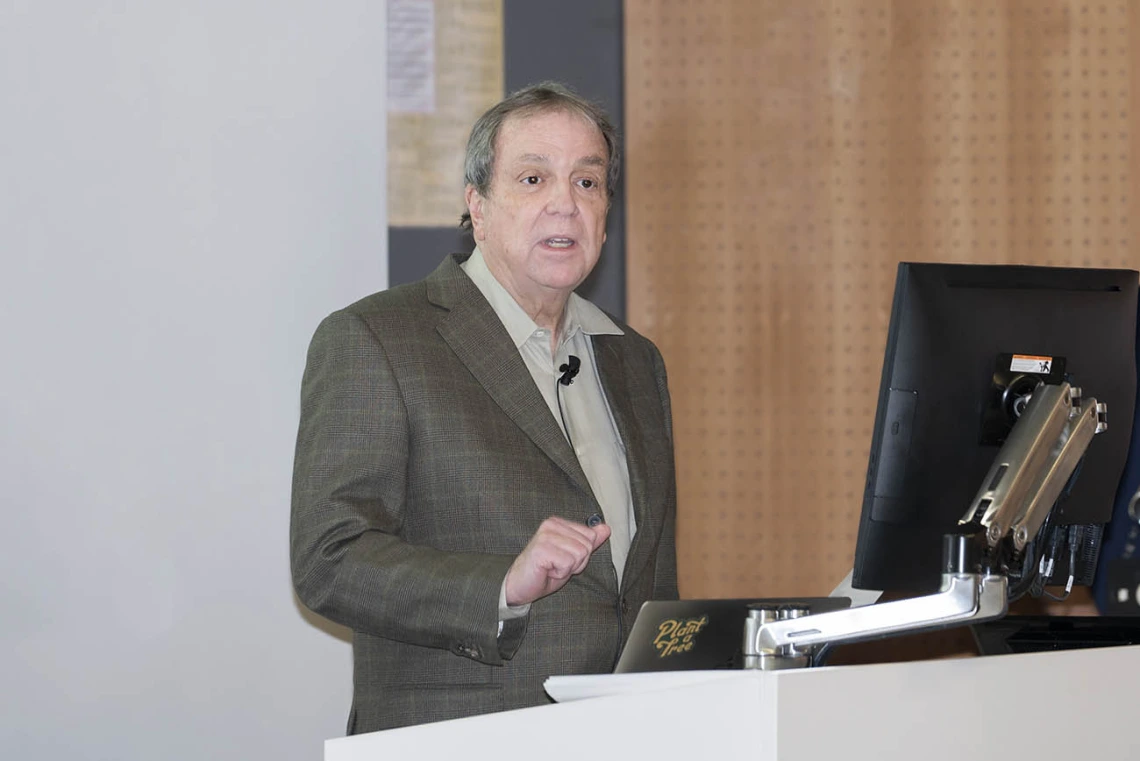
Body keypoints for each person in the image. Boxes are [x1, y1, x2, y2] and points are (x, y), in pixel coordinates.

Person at [290, 81, 678, 733]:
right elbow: (329, 558)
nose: (565, 203)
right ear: (477, 205)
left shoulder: (635, 362)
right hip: (458, 734)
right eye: (533, 178)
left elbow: (651, 584)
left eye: (588, 183)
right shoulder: (379, 338)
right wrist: (502, 585)